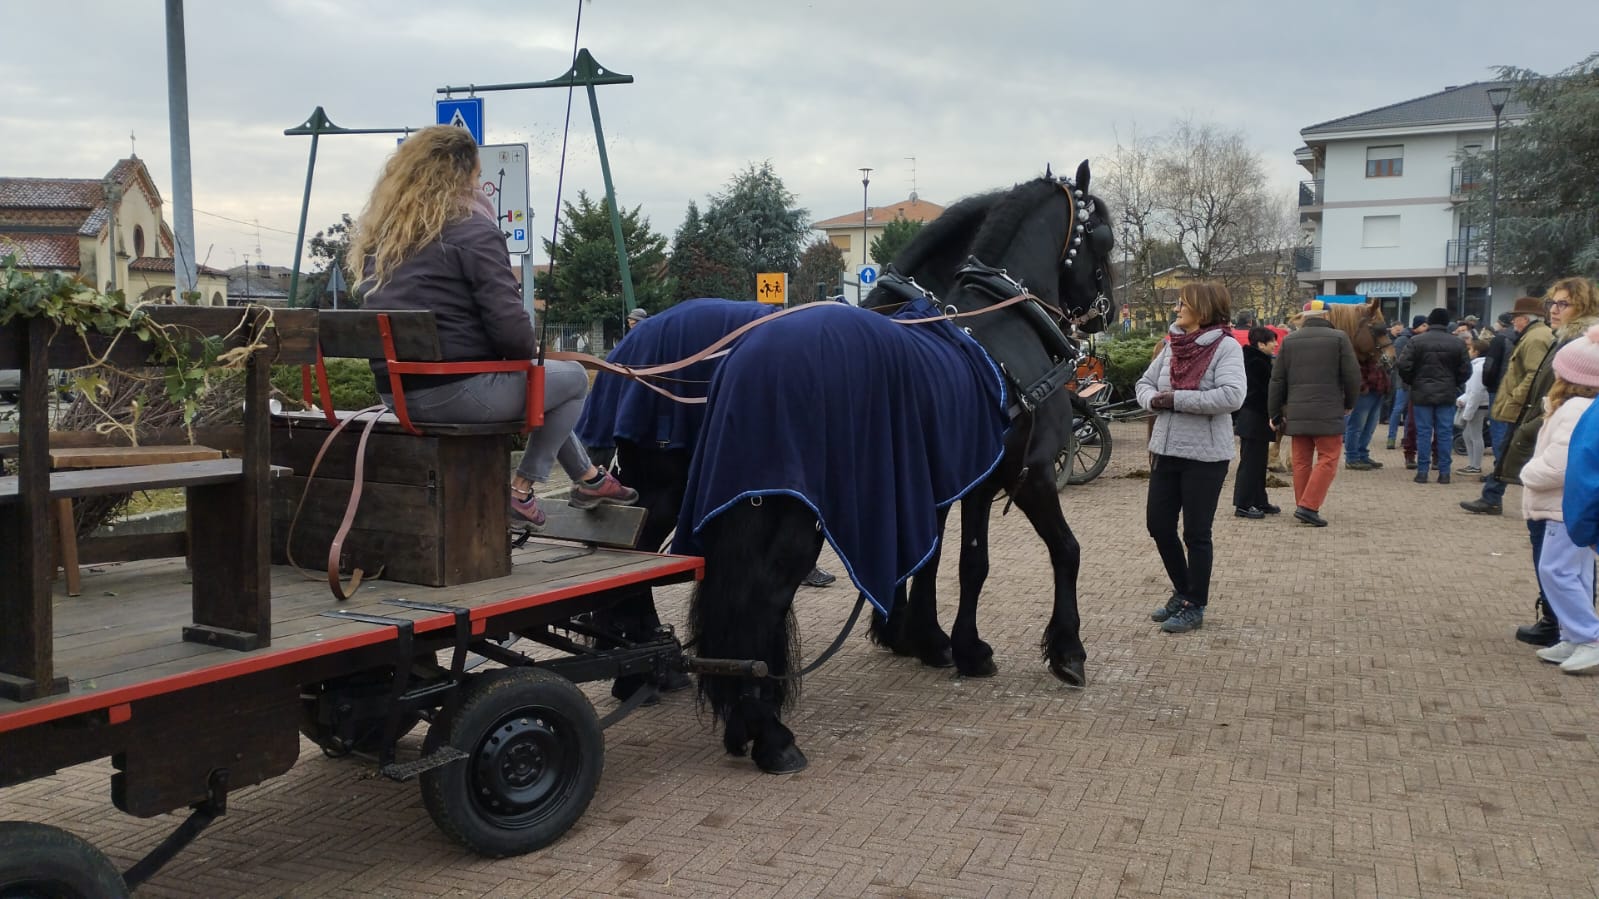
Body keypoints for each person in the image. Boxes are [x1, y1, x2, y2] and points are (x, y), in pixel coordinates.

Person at [347, 125, 638, 531]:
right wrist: (520, 345)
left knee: (544, 385)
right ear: (466, 174)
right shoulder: (472, 229)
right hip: (455, 393)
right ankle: (521, 490)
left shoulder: (387, 238)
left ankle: (589, 479)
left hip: (397, 396)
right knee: (570, 379)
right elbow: (511, 333)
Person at [1491, 278, 1599, 645]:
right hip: (1544, 435)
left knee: (1559, 559)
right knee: (1557, 556)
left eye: (1563, 303)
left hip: (1555, 465)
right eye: (1552, 302)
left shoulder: (1580, 349)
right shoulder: (1562, 340)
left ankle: (1571, 628)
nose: (1553, 309)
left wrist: (1535, 425)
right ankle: (1566, 627)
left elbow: (1561, 403)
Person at [1137, 282, 1246, 634]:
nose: (1177, 309)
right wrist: (1152, 400)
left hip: (1206, 456)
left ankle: (1194, 603)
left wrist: (1174, 400)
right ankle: (1183, 590)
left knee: (1197, 533)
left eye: (1184, 304)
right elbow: (1144, 384)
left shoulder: (1226, 347)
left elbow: (1232, 396)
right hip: (1166, 450)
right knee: (1158, 525)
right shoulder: (1172, 346)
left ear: (1203, 309)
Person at [1522, 324, 1599, 672]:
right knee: (1575, 571)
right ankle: (1574, 634)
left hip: (1561, 506)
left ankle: (1588, 636)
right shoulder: (1584, 407)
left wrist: (1529, 474)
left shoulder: (1574, 409)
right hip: (1570, 504)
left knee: (1555, 570)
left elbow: (1561, 464)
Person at [1267, 299, 1358, 527]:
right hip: (1328, 409)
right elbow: (1352, 375)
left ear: (1304, 317)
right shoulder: (1339, 338)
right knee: (1328, 457)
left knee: (1301, 461)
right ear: (1327, 316)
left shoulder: (1289, 341)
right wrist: (1350, 402)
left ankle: (1302, 504)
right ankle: (1309, 506)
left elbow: (1277, 380)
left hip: (1297, 410)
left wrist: (1274, 412)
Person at [1462, 296, 1554, 514]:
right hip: (1527, 404)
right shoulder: (1535, 335)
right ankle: (1492, 496)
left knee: (1509, 451)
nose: (1513, 322)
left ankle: (1492, 497)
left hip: (1525, 406)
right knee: (1509, 451)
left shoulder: (1535, 338)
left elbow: (1535, 374)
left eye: (1516, 318)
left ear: (1525, 318)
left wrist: (1517, 398)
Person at [1396, 307, 1468, 484]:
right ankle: (1444, 473)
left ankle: (1422, 472)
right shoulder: (1457, 342)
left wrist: (1414, 381)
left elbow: (1403, 365)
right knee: (1444, 433)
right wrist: (1454, 382)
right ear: (1446, 322)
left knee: (1423, 433)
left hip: (1421, 393)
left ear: (1430, 321)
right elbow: (1466, 369)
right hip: (1446, 393)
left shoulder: (1416, 341)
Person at [1232, 326, 1280, 519]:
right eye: (1272, 341)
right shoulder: (1255, 363)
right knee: (1250, 463)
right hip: (1253, 418)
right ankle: (1243, 503)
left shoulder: (1259, 360)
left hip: (1256, 419)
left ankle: (1259, 499)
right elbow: (1263, 392)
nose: (1276, 344)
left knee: (1259, 463)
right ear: (1261, 344)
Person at [1386, 315, 1426, 450]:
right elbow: (1398, 361)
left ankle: (1406, 438)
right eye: (1424, 325)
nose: (1426, 328)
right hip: (1403, 380)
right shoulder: (1402, 340)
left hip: (1415, 380)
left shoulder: (1419, 339)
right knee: (1398, 409)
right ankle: (1391, 438)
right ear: (1417, 326)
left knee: (1410, 412)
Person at [1456, 337, 1491, 474]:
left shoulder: (1477, 368)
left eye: (1471, 349)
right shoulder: (1479, 366)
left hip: (1478, 406)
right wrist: (1464, 398)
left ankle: (1475, 465)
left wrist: (1467, 413)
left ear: (1476, 352)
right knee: (1468, 434)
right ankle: (1473, 464)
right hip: (1478, 404)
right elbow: (1472, 391)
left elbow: (1476, 391)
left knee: (1475, 435)